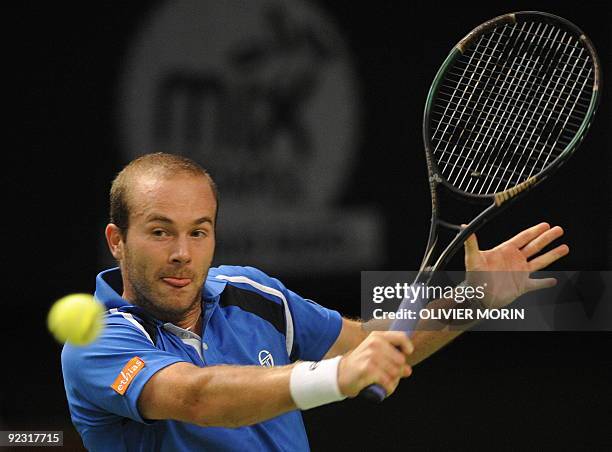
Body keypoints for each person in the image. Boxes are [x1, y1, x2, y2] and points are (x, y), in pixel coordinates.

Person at [61, 153, 569, 451]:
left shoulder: (253, 292)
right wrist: (334, 377)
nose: (181, 253)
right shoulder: (96, 341)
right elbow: (197, 396)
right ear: (116, 240)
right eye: (159, 231)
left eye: (199, 231)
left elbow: (379, 346)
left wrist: (471, 301)